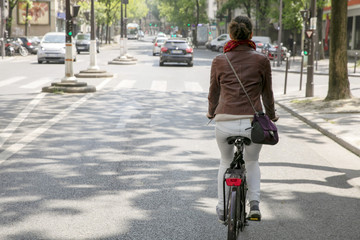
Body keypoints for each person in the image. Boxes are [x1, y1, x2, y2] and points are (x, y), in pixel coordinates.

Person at [207, 16, 278, 223]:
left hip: (224, 122)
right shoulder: (261, 60)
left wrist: (211, 112)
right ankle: (254, 204)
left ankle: (222, 207)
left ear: (230, 34)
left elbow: (213, 93)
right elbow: (268, 94)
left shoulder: (220, 60)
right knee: (252, 161)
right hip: (251, 124)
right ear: (251, 34)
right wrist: (271, 115)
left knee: (225, 161)